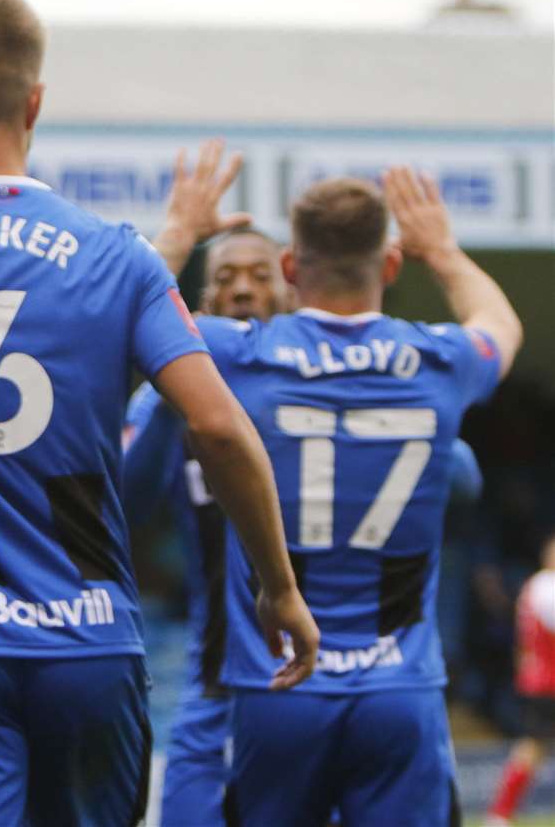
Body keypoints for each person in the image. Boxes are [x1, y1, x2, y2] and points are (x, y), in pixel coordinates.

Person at [0, 0, 318, 827]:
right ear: (36, 102)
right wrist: (277, 586)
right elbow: (220, 426)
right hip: (89, 640)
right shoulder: (117, 257)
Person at [125, 212, 483, 825]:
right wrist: (170, 378)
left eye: (259, 274)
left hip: (336, 690)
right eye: (225, 277)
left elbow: (464, 480)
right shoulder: (172, 406)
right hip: (219, 693)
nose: (241, 288)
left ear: (291, 288)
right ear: (204, 303)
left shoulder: (340, 396)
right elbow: (125, 505)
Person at [206, 168, 521, 826]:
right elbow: (501, 323)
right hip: (397, 688)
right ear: (393, 261)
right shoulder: (443, 358)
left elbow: (129, 307)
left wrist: (179, 232)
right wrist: (445, 250)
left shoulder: (238, 351)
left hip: (279, 682)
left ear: (290, 266)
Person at [486, 533, 555, 826]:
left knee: (532, 748)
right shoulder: (547, 587)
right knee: (531, 749)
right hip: (548, 682)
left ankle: (500, 814)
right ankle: (500, 814)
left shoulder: (533, 586)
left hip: (536, 678)